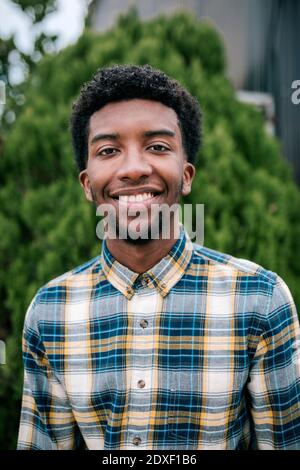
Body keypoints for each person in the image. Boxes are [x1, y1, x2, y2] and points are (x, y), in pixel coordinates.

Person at [17, 64, 300, 450]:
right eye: (109, 150)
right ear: (87, 183)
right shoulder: (50, 311)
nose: (134, 168)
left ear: (186, 175)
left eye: (157, 147)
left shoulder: (260, 299)